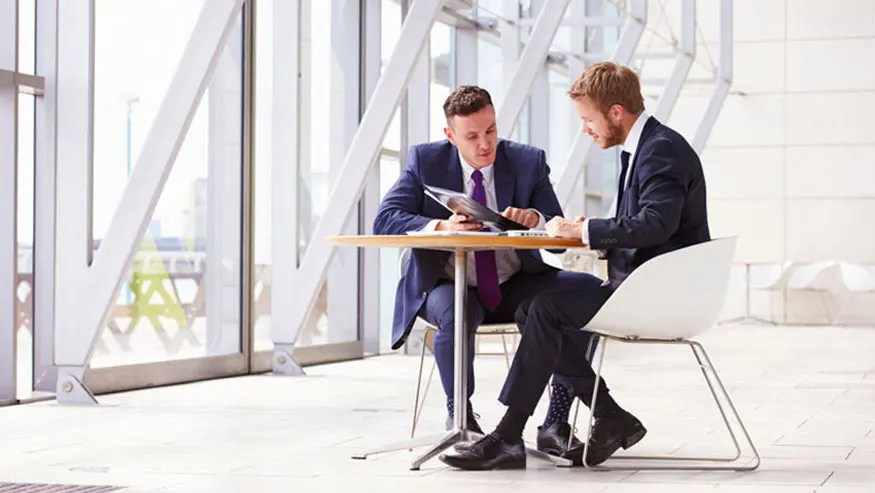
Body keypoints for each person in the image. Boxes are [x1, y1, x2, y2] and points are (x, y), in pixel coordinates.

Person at [440, 61, 711, 471]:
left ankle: (510, 436)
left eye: (588, 120)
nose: (586, 129)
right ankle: (607, 414)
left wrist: (586, 233)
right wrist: (586, 230)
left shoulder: (661, 151)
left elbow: (656, 225)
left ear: (615, 112)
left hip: (662, 293)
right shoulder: (646, 147)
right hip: (650, 284)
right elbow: (646, 225)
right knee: (534, 309)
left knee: (545, 309)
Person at [374, 86, 603, 456]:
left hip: (514, 284)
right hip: (450, 284)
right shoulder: (426, 160)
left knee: (583, 294)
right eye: (473, 136)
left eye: (491, 131)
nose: (485, 144)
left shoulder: (527, 162)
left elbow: (558, 235)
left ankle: (556, 422)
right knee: (457, 313)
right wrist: (441, 227)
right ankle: (460, 417)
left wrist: (538, 221)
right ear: (450, 136)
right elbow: (385, 220)